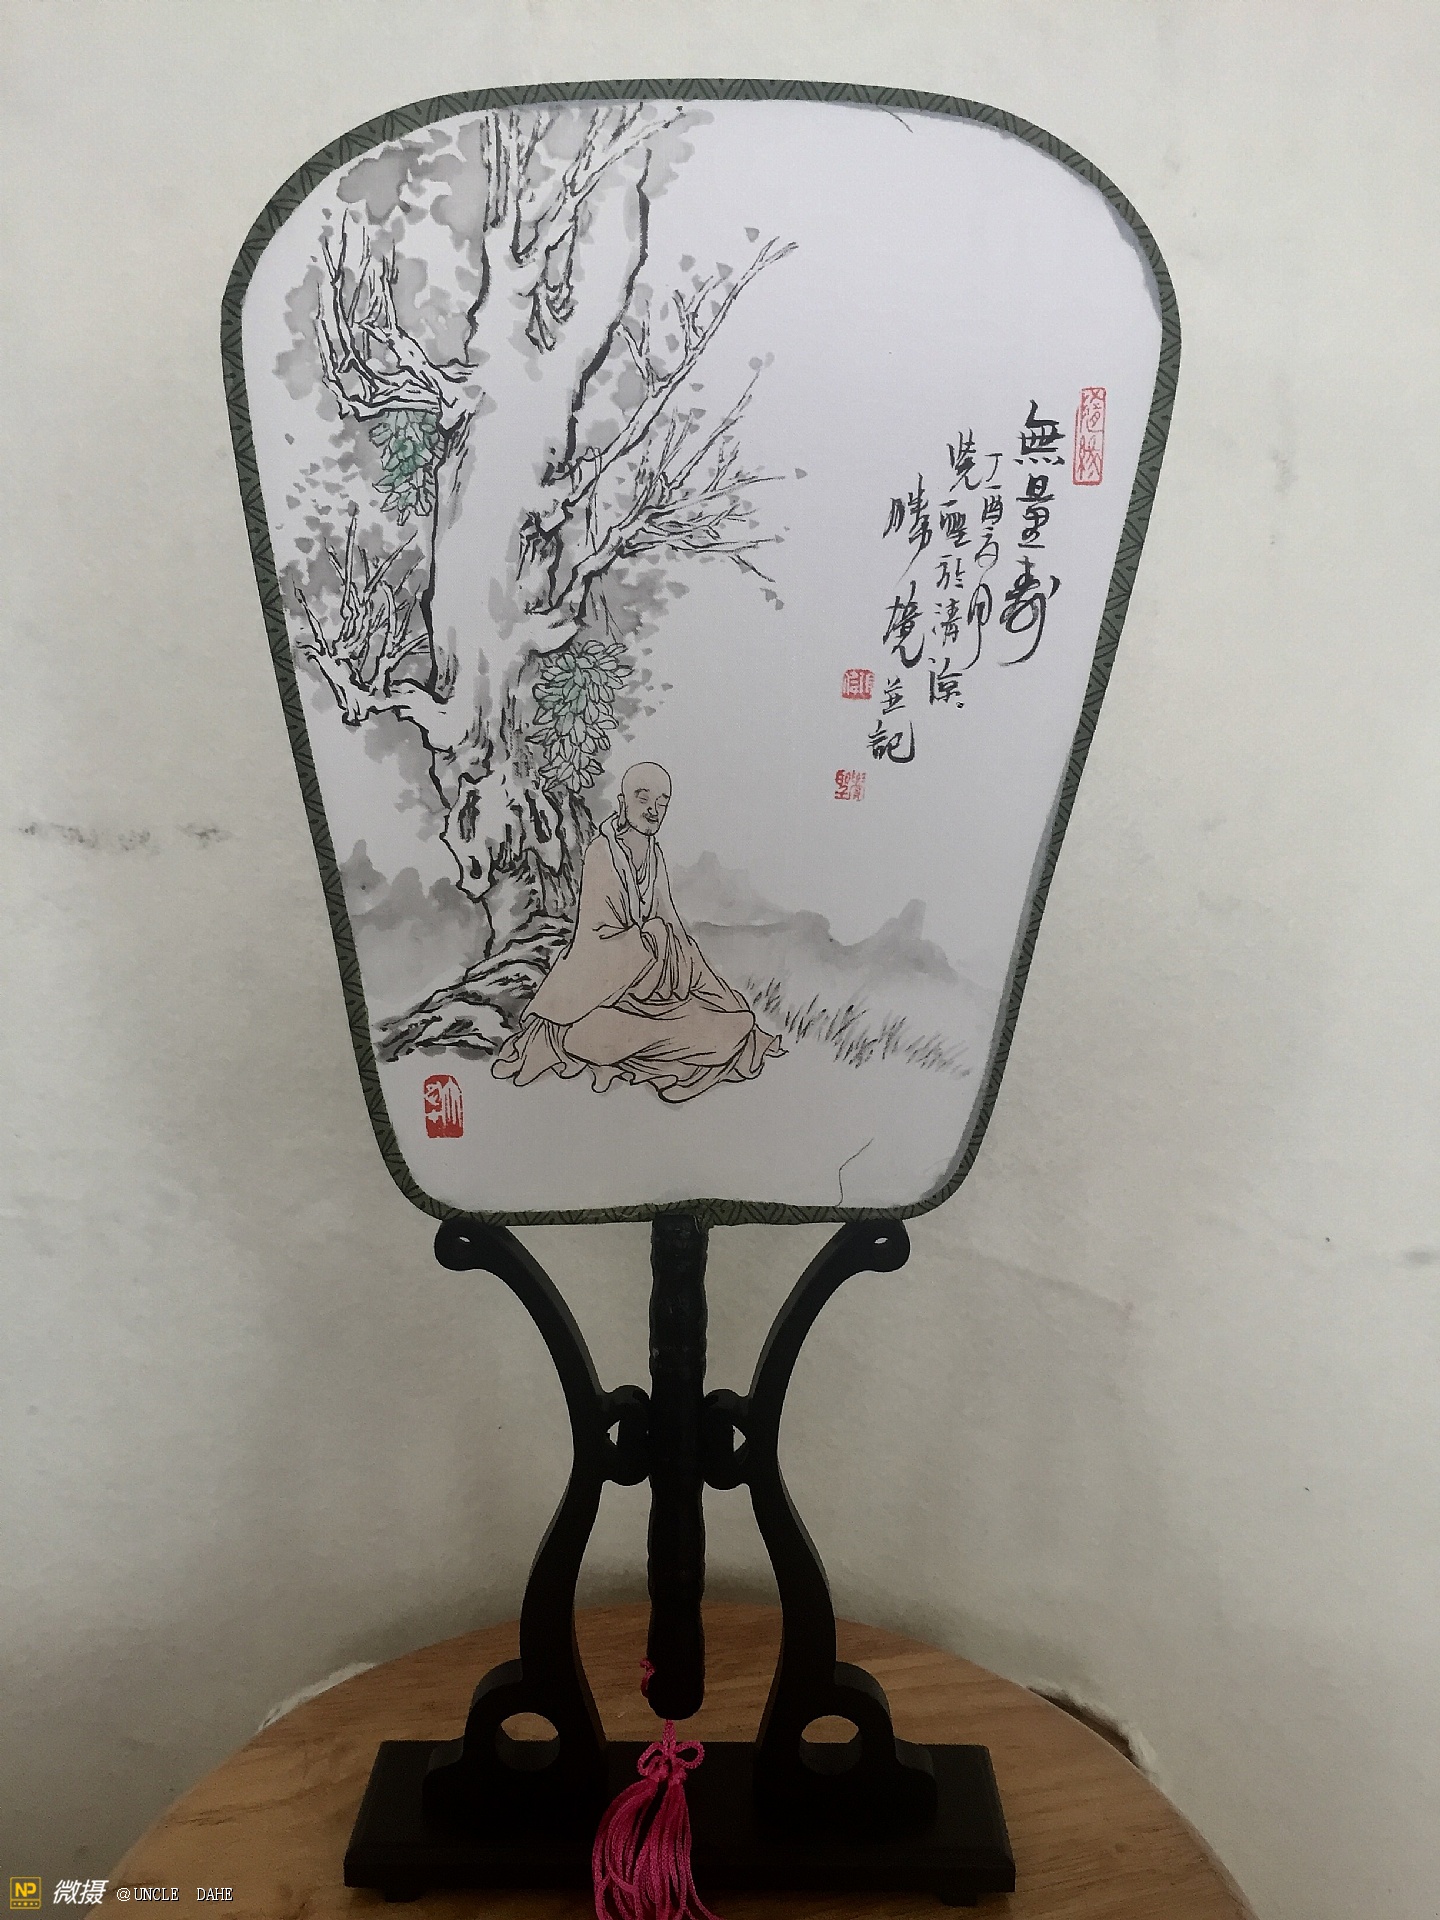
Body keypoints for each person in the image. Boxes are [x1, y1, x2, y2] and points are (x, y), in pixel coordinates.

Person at [492, 763, 783, 1102]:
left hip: (650, 988)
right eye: (643, 799)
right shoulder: (601, 853)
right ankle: (700, 1036)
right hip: (596, 992)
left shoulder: (653, 854)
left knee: (715, 999)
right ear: (623, 802)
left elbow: (674, 927)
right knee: (586, 1034)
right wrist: (650, 942)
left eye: (662, 802)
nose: (653, 810)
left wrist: (719, 995)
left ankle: (721, 1028)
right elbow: (596, 940)